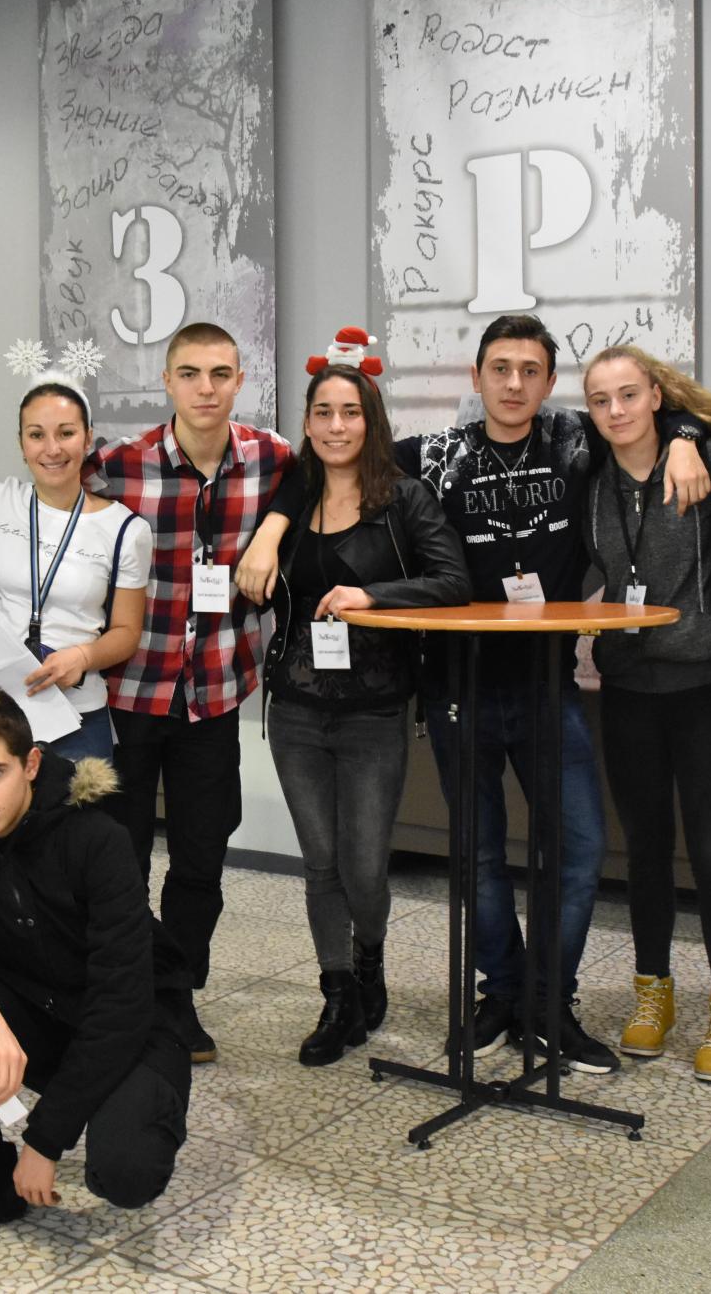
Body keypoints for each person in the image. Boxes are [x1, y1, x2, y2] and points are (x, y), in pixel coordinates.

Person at [383, 313, 711, 1073]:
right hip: (457, 687)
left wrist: (687, 438)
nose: (513, 384)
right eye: (500, 369)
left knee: (581, 845)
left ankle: (547, 1001)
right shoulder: (433, 454)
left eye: (530, 371)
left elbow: (656, 415)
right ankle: (501, 993)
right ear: (476, 377)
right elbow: (344, 455)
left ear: (549, 381)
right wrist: (275, 526)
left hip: (546, 686)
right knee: (478, 853)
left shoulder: (574, 439)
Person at [0, 683, 191, 1261]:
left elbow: (121, 1007)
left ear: (31, 764)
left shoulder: (98, 837)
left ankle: (130, 1109)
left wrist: (44, 1141)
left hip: (136, 1028)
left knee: (126, 1173)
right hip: (39, 1012)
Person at [236, 330, 469, 1065]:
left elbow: (452, 582)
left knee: (365, 867)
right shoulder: (290, 500)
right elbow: (260, 587)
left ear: (371, 420)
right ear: (307, 423)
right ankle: (336, 991)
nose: (336, 426)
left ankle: (370, 958)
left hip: (374, 708)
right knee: (320, 862)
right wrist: (256, 564)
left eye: (350, 412)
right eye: (323, 413)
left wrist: (373, 596)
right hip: (297, 709)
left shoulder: (403, 498)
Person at [88, 321, 293, 1066]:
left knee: (201, 858)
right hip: (129, 694)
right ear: (167, 380)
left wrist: (271, 530)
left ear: (241, 379)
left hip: (214, 693)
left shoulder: (272, 459)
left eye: (220, 373)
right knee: (122, 859)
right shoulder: (119, 465)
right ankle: (129, 993)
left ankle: (175, 991)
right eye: (190, 373)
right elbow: (43, 474)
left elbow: (332, 471)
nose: (206, 388)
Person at [578, 345, 711, 1081]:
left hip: (703, 685)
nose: (615, 410)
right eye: (600, 400)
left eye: (629, 394)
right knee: (645, 851)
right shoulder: (589, 474)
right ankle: (653, 993)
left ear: (656, 395)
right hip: (627, 687)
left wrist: (686, 437)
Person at [0, 364, 151, 762]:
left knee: (79, 805)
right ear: (21, 443)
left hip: (77, 714)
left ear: (87, 438)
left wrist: (82, 657)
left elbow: (126, 631)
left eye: (66, 433)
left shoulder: (126, 529)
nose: (52, 449)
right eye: (37, 435)